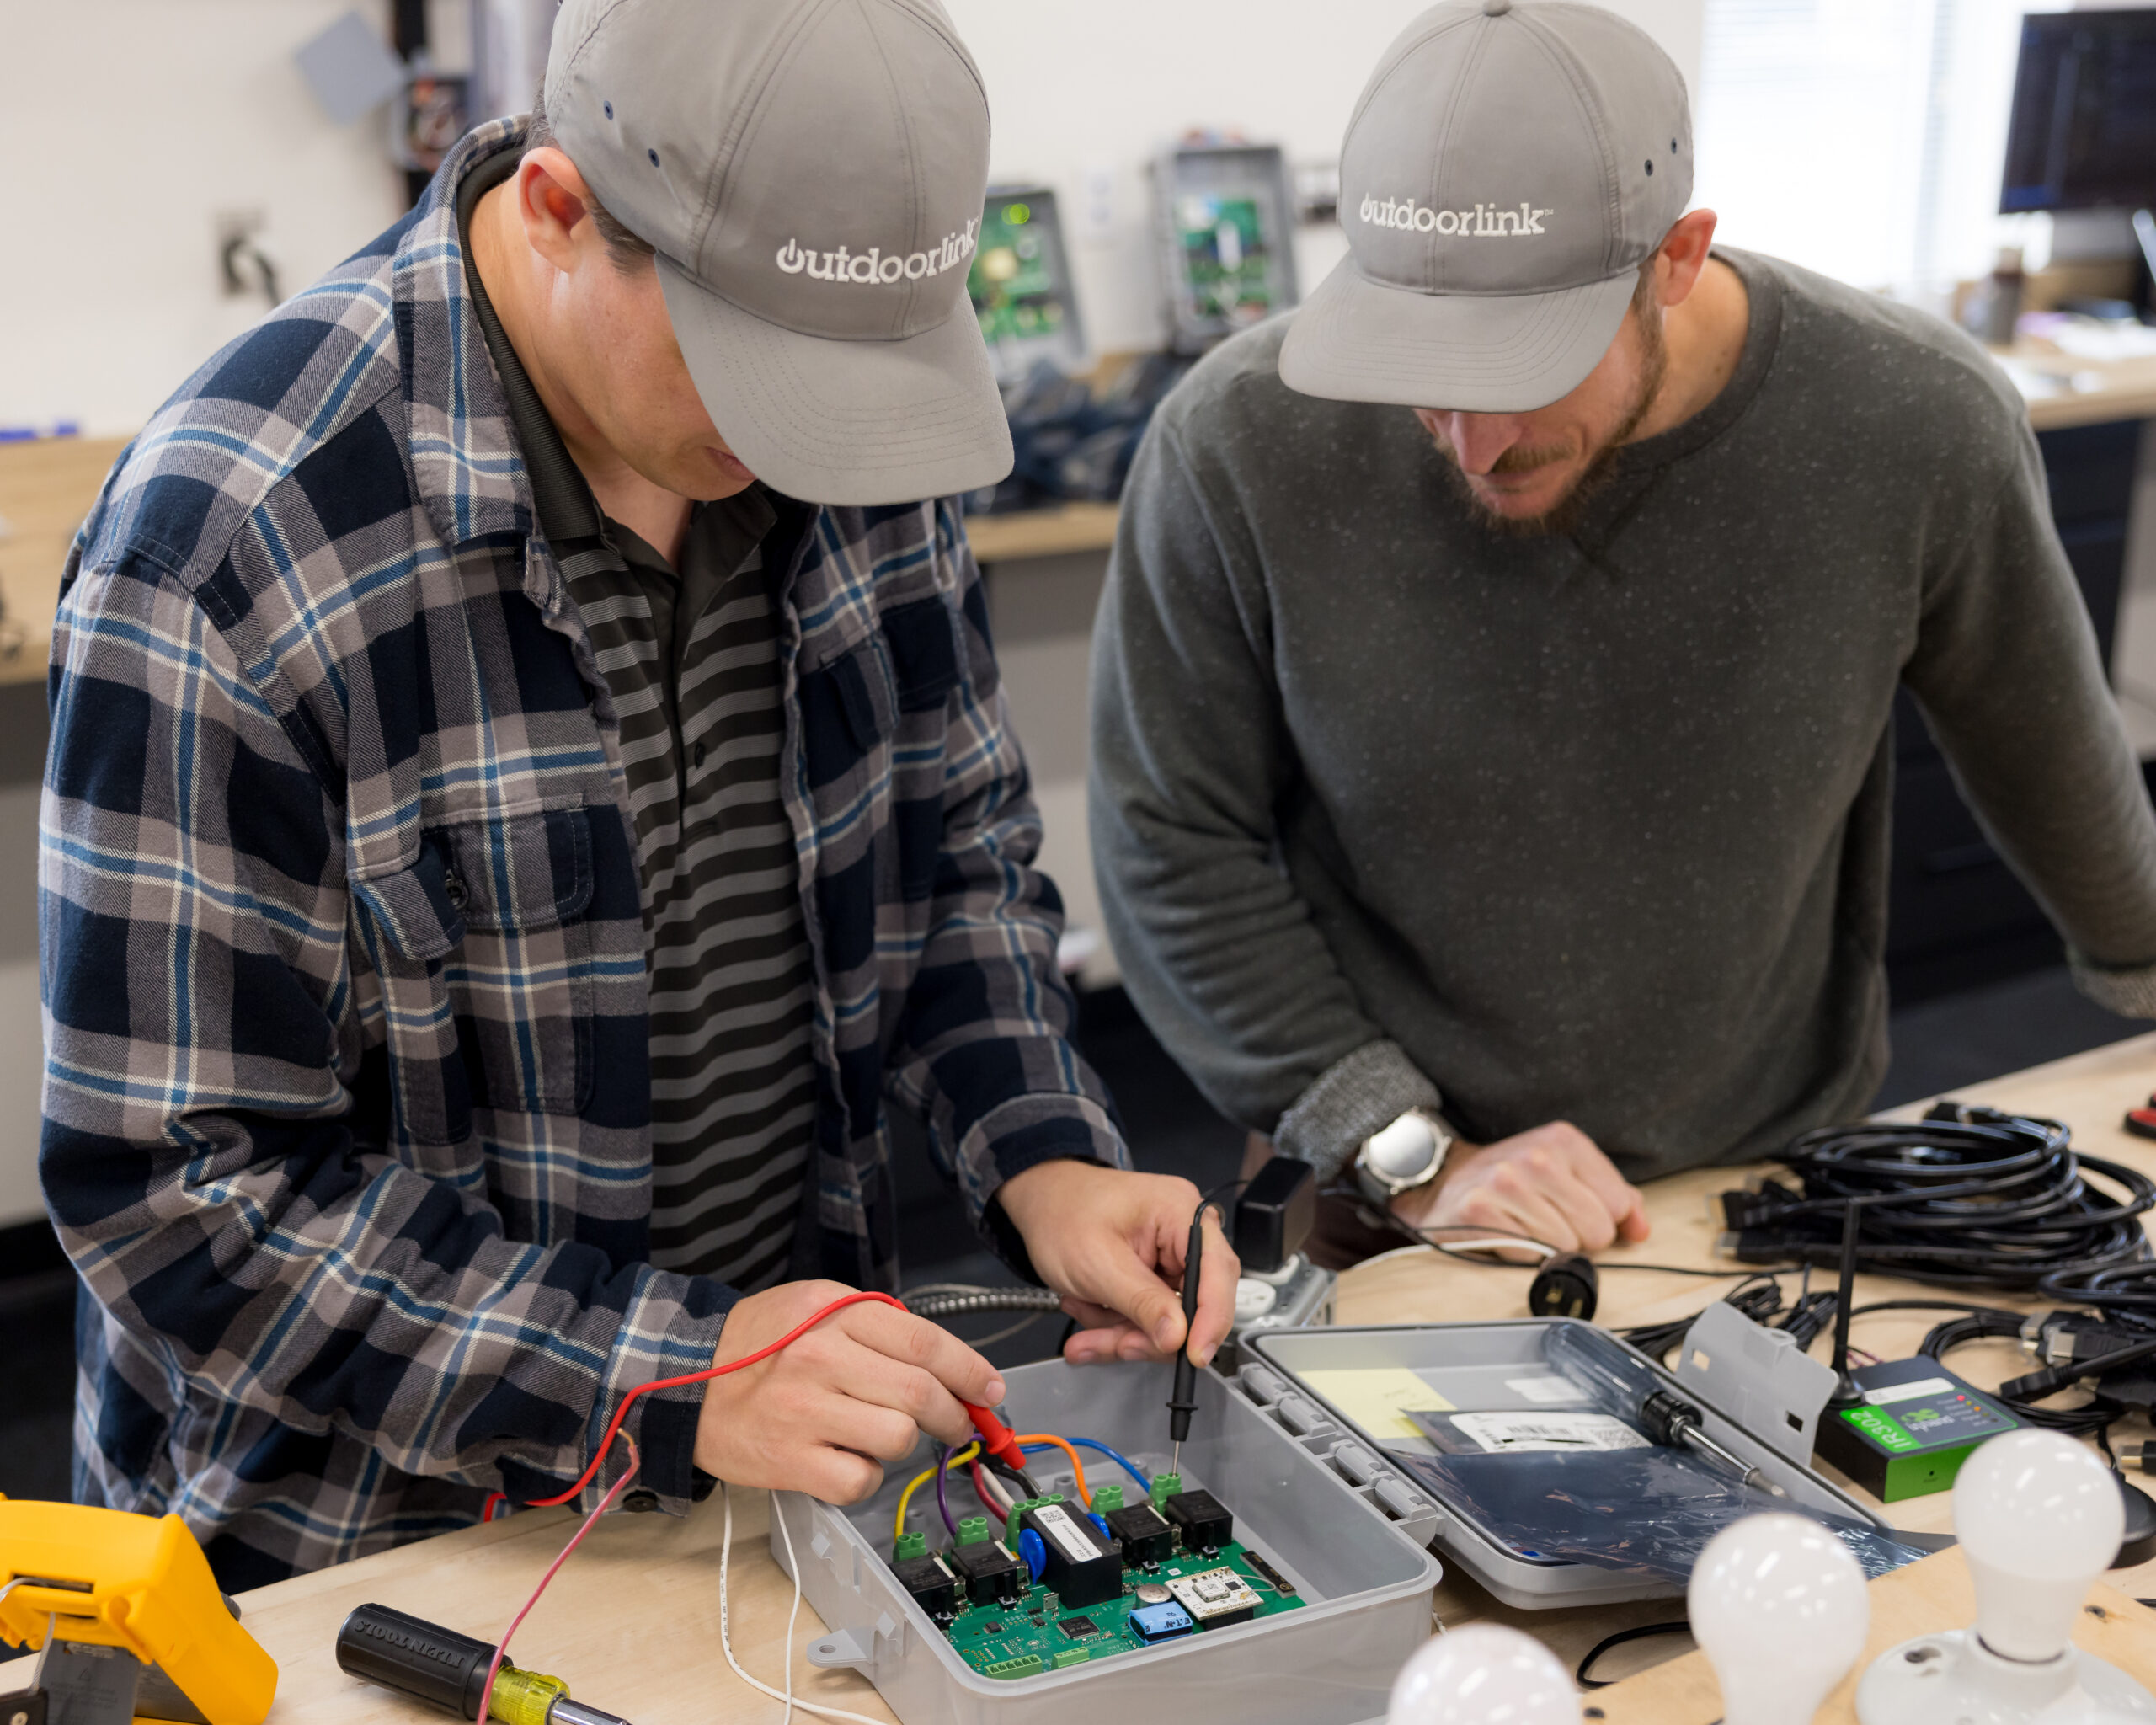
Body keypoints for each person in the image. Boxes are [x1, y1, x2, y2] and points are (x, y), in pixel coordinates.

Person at [40, 0, 1233, 1587]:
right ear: (556, 211)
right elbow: (180, 1199)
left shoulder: (849, 439)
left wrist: (1044, 1155)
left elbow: (953, 858)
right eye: (757, 363)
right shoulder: (231, 545)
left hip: (777, 1486)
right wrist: (670, 1373)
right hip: (373, 1553)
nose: (803, 434)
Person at [1090, 0, 2156, 1268]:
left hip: (1768, 1180)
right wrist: (1407, 1150)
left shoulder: (1915, 423)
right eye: (1426, 371)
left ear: (1677, 257)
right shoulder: (1239, 441)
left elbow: (2053, 760)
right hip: (1382, 1192)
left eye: (1526, 368)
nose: (1475, 445)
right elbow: (1167, 842)